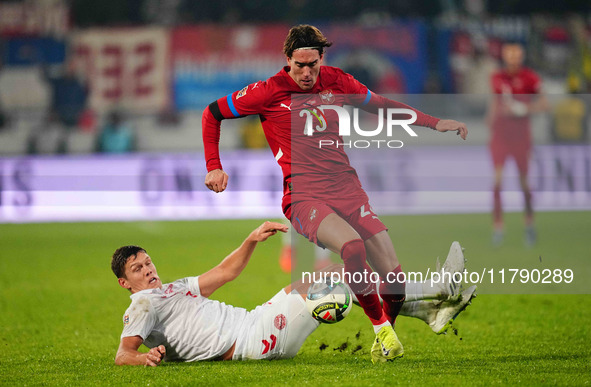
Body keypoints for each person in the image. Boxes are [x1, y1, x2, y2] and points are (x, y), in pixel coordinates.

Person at [202, 25, 468, 363]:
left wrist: (434, 122)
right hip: (304, 195)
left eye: (312, 64)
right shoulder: (268, 91)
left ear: (320, 59)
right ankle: (382, 330)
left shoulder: (338, 81)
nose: (306, 72)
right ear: (287, 60)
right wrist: (214, 164)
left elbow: (381, 105)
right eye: (299, 65)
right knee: (352, 247)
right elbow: (212, 113)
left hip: (346, 187)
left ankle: (387, 337)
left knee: (394, 281)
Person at [112, 221, 476, 366]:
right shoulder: (143, 303)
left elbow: (225, 272)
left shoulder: (171, 289)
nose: (148, 270)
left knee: (333, 276)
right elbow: (122, 353)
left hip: (254, 323)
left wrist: (250, 240)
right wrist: (144, 359)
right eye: (137, 270)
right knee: (333, 275)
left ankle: (430, 309)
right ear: (125, 283)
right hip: (250, 342)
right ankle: (436, 289)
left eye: (147, 263)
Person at [486, 42, 548, 247]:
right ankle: (498, 227)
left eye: (516, 56)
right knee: (497, 181)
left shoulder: (530, 77)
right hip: (501, 136)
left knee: (524, 183)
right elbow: (496, 103)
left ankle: (529, 224)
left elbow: (544, 104)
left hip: (521, 137)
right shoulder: (497, 77)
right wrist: (491, 120)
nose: (512, 60)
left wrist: (524, 109)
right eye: (509, 56)